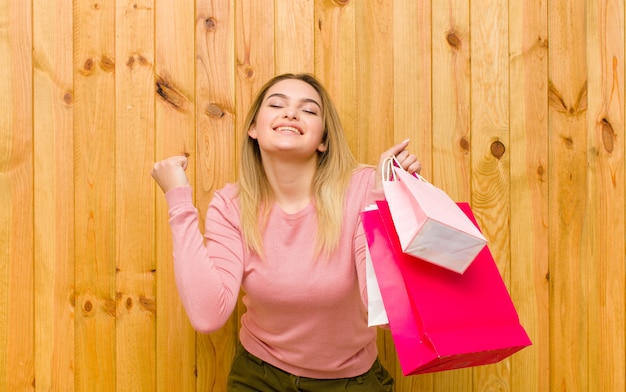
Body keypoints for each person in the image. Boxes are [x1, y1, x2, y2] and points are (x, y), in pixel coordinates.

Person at [151, 73, 421, 391]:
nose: (291, 113)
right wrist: (179, 201)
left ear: (323, 139)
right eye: (277, 104)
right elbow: (208, 316)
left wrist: (383, 202)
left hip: (350, 381)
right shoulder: (231, 205)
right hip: (259, 378)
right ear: (253, 128)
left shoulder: (363, 188)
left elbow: (387, 311)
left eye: (308, 110)